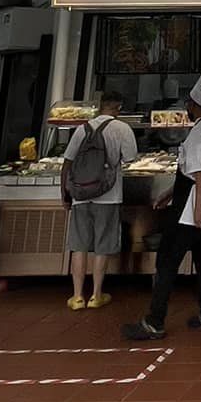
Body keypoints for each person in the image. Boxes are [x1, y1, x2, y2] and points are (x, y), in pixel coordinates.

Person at [124, 68, 201, 341]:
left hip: (192, 207)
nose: (188, 108)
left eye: (189, 105)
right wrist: (169, 193)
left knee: (167, 261)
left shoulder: (200, 133)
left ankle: (155, 321)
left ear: (194, 104)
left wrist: (198, 208)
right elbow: (193, 172)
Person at [61, 93, 138, 311]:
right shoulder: (122, 129)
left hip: (80, 195)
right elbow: (131, 158)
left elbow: (67, 163)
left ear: (99, 107)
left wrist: (65, 195)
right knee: (103, 245)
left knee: (79, 246)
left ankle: (77, 297)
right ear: (118, 108)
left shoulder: (81, 129)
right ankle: (96, 294)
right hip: (109, 195)